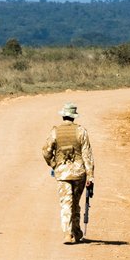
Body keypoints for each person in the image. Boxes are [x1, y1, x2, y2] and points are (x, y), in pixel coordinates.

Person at [42, 102, 94, 244]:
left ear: (63, 115)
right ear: (74, 117)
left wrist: (53, 164)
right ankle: (76, 232)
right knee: (75, 203)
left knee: (66, 203)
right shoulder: (81, 131)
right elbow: (87, 155)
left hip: (62, 173)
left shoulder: (55, 131)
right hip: (79, 173)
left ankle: (67, 233)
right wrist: (90, 176)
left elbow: (46, 152)